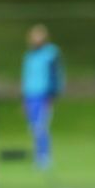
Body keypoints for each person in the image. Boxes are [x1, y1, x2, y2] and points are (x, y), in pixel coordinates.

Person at [21, 24, 64, 169]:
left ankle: (44, 156)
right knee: (33, 128)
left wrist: (52, 94)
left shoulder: (51, 53)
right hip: (30, 96)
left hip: (43, 95)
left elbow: (55, 74)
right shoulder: (29, 55)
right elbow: (26, 77)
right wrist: (24, 99)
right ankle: (38, 154)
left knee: (41, 126)